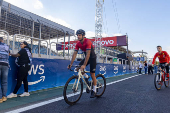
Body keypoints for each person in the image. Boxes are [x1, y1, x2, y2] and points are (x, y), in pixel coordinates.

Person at [67, 29, 97, 98]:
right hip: (86, 57)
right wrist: (71, 64)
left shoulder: (88, 41)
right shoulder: (78, 43)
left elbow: (88, 54)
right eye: (77, 35)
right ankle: (86, 77)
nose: (78, 36)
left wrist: (84, 65)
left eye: (79, 35)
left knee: (92, 74)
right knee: (78, 69)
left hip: (92, 58)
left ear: (83, 35)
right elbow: (74, 54)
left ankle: (94, 90)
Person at [0, 37, 10, 103]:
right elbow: (9, 54)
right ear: (2, 40)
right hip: (5, 64)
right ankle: (4, 97)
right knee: (4, 82)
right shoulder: (7, 46)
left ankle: (0, 98)